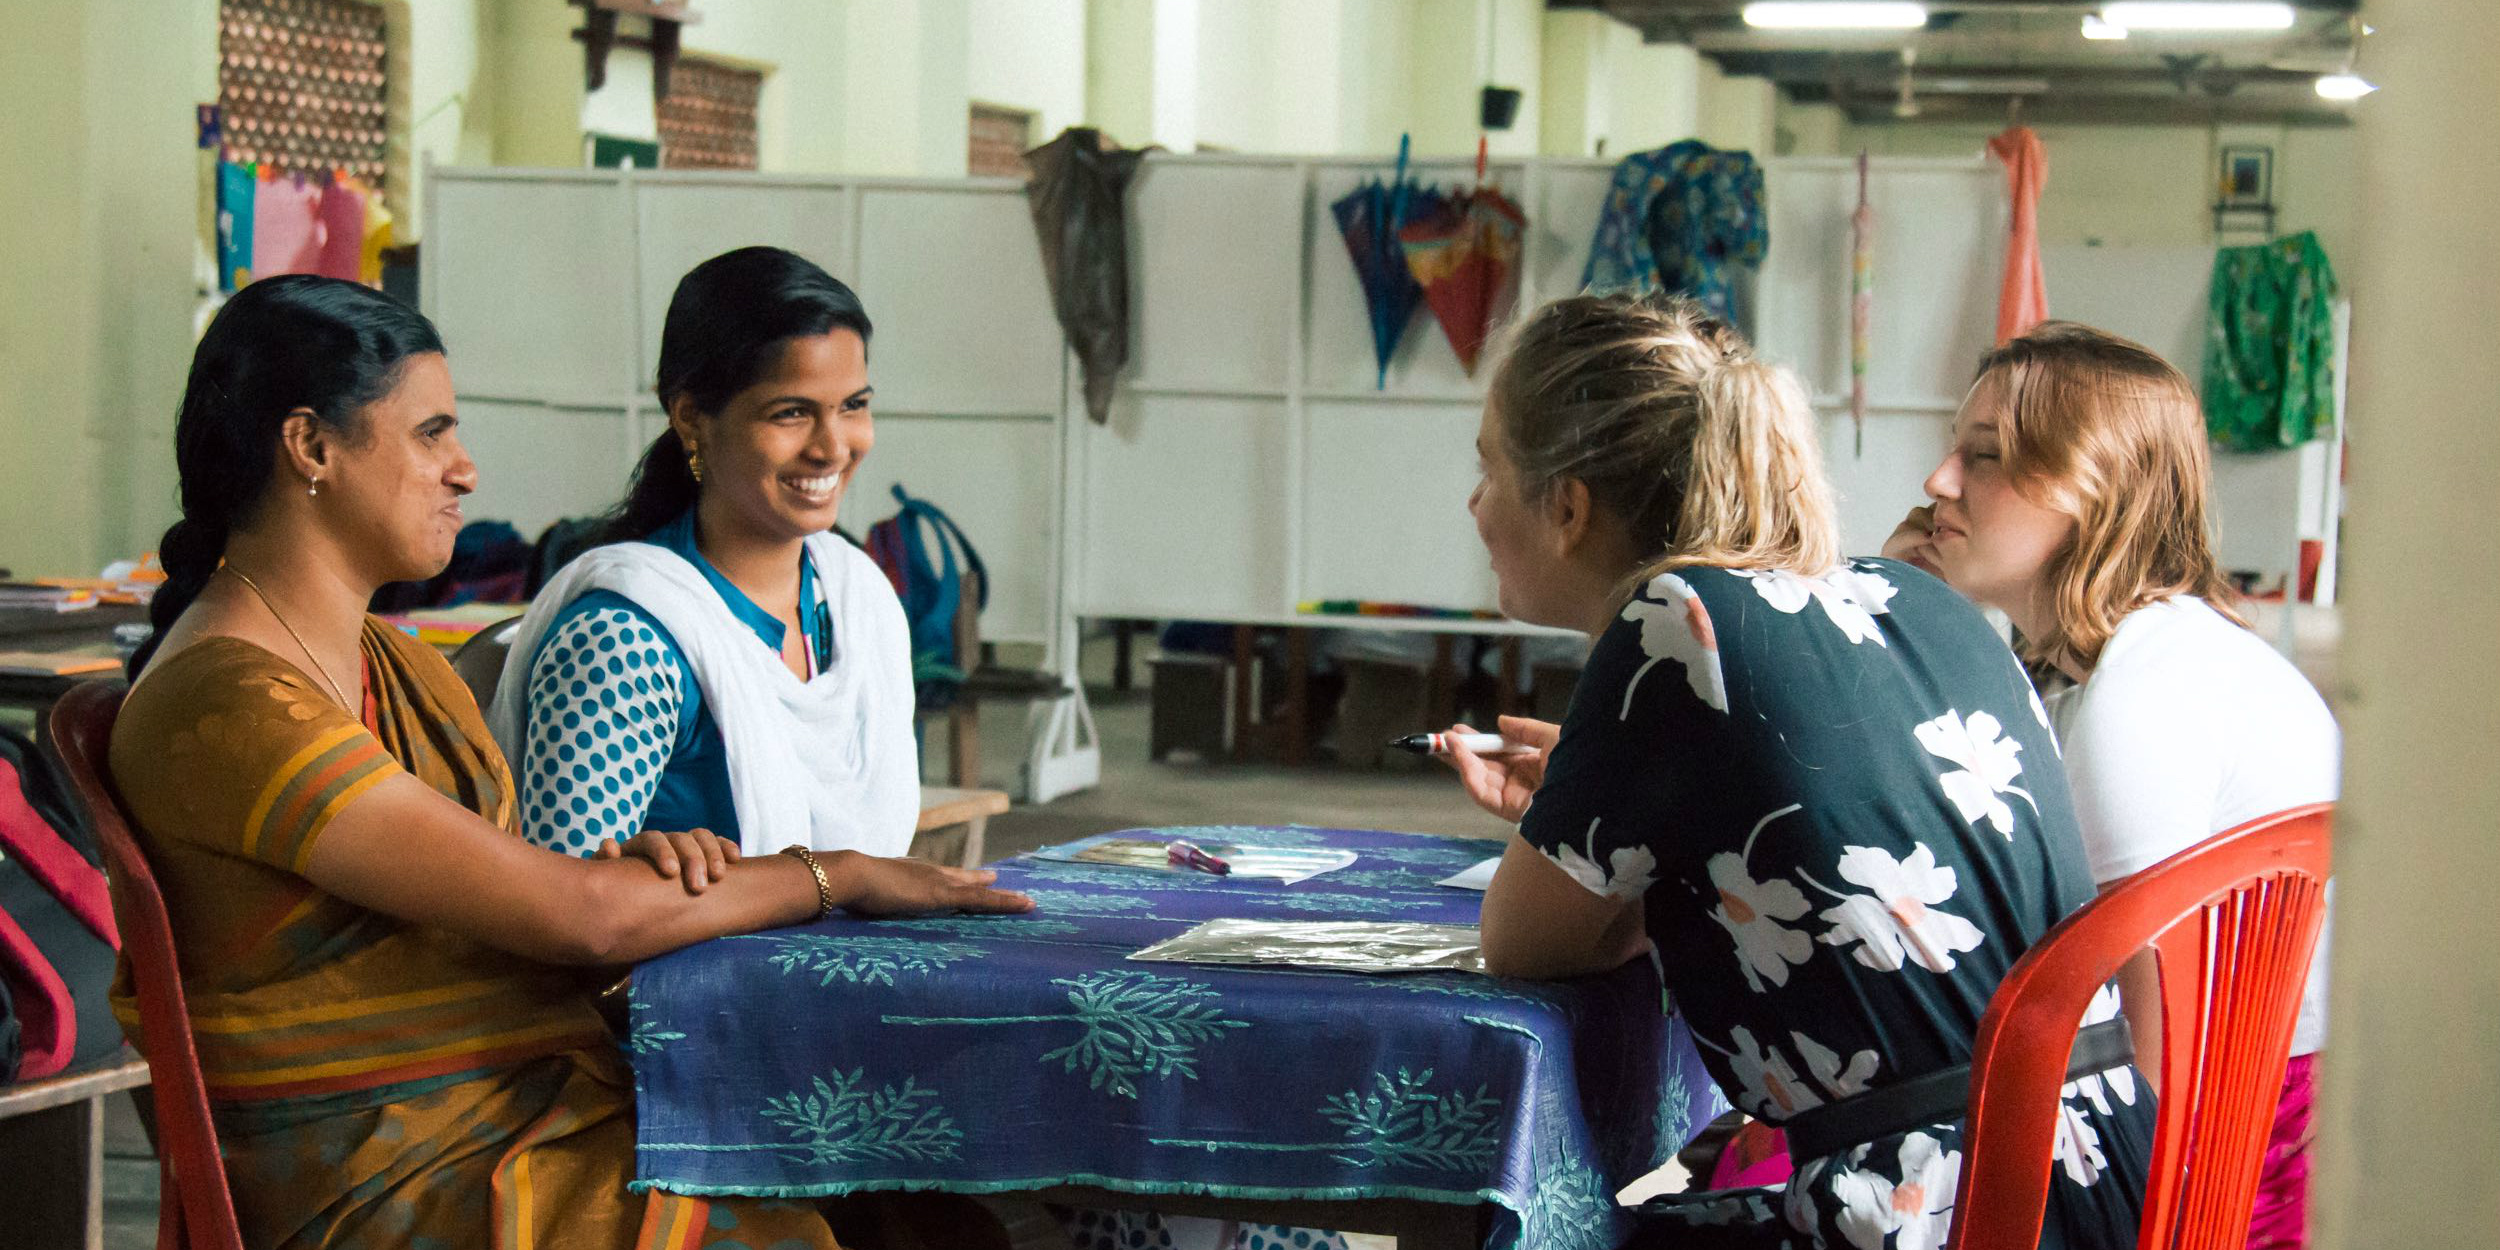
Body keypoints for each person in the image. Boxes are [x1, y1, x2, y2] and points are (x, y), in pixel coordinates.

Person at [109, 274, 1028, 1249]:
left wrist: (646, 865)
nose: (465, 469)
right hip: (389, 1167)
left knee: (927, 1210)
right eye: (431, 434)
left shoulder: (391, 662)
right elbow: (575, 919)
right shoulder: (228, 704)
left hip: (506, 1103)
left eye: (854, 406)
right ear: (312, 446)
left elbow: (536, 897)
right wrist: (832, 873)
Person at [1441, 293, 2149, 1248]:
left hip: (1941, 1209)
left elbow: (1521, 945)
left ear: (1567, 507)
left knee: (1501, 1226)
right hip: (2104, 1180)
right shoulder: (1917, 596)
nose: (1475, 504)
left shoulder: (1676, 622)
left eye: (1488, 469)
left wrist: (1604, 849)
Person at [1885, 321, 2339, 1250]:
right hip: (2235, 1125)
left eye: (1986, 457)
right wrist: (1907, 611)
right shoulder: (2106, 664)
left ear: (2093, 491)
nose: (1938, 484)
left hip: (2215, 1163)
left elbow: (2147, 1056)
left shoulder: (2142, 694)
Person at [488, 246, 920, 860]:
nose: (832, 447)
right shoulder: (622, 639)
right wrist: (824, 886)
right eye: (791, 413)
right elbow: (568, 908)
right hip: (669, 961)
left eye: (853, 406)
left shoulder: (855, 600)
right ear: (693, 418)